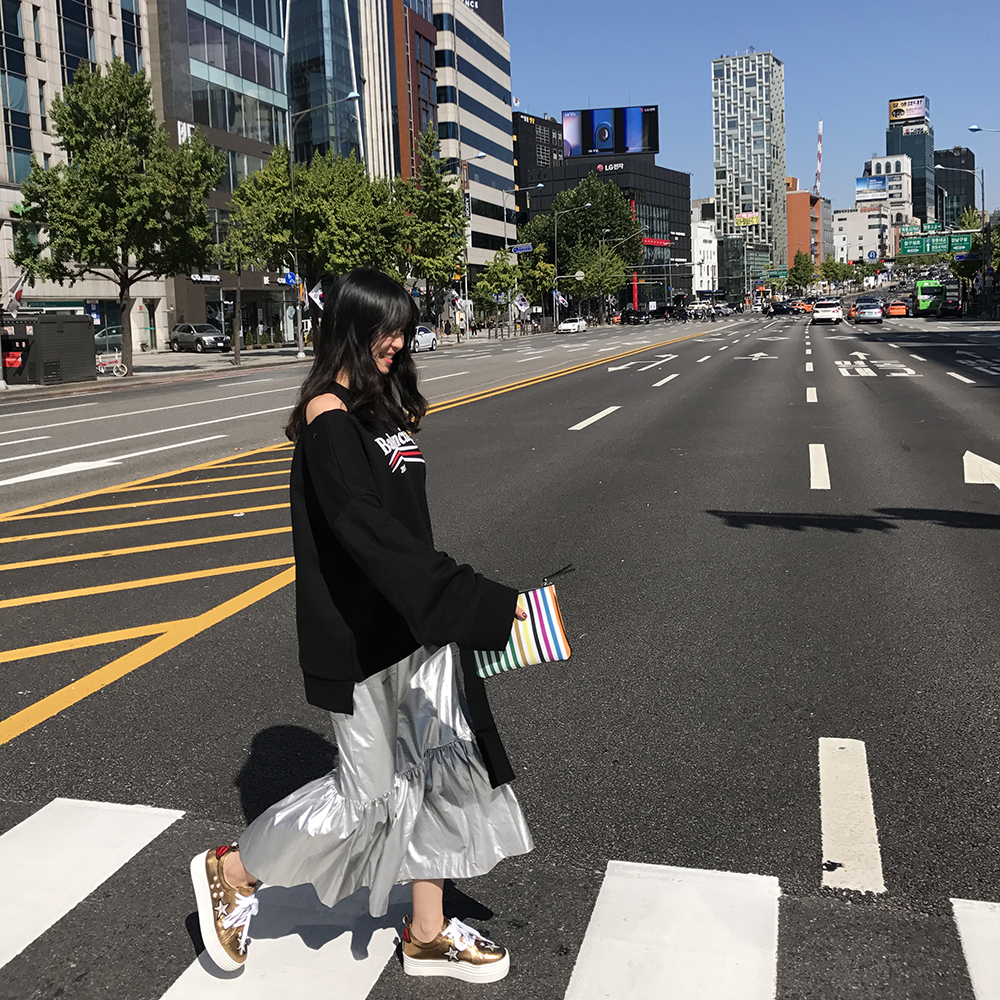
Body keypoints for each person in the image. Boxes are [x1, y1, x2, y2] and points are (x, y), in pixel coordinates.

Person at [190, 268, 533, 984]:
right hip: (364, 640)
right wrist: (466, 600)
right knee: (364, 798)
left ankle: (428, 933)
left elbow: (404, 526)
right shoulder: (328, 418)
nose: (398, 342)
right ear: (349, 328)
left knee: (441, 775)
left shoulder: (378, 409)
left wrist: (442, 609)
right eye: (385, 329)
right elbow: (365, 531)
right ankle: (235, 871)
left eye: (404, 329)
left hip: (415, 628)